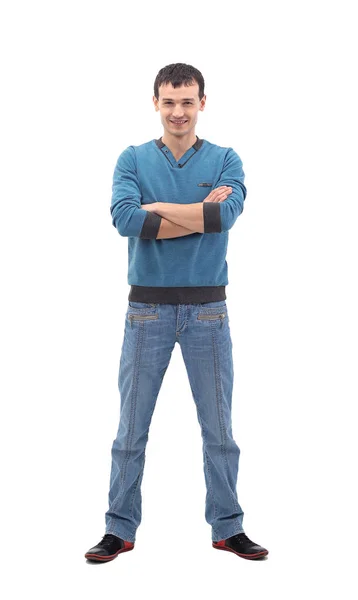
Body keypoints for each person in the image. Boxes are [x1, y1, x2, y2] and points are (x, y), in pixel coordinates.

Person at [85, 63, 268, 562]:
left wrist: (159, 210)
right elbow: (125, 220)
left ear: (202, 103)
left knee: (219, 430)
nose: (179, 111)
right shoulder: (133, 158)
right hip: (147, 310)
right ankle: (118, 529)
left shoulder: (226, 159)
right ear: (156, 103)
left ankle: (227, 527)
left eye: (188, 101)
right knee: (131, 430)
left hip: (209, 311)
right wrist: (195, 213)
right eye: (170, 101)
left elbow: (224, 215)